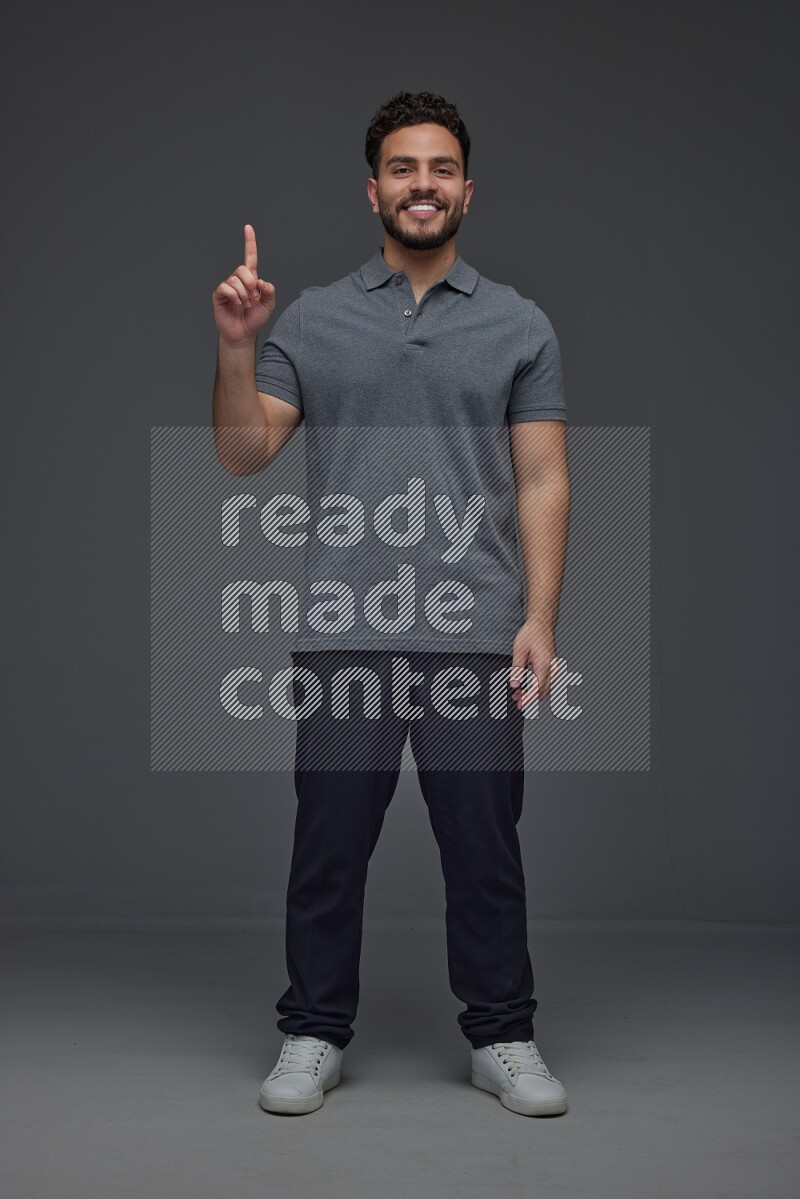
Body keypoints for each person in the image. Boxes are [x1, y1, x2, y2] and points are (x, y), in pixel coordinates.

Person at [211, 91, 571, 1118]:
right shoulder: (316, 317)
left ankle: (500, 1032)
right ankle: (312, 1030)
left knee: (482, 847)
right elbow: (242, 452)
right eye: (404, 169)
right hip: (346, 631)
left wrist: (539, 617)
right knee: (326, 848)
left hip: (473, 632)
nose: (423, 185)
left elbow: (542, 479)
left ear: (466, 188)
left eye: (441, 168)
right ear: (373, 189)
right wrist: (239, 345)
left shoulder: (517, 323)